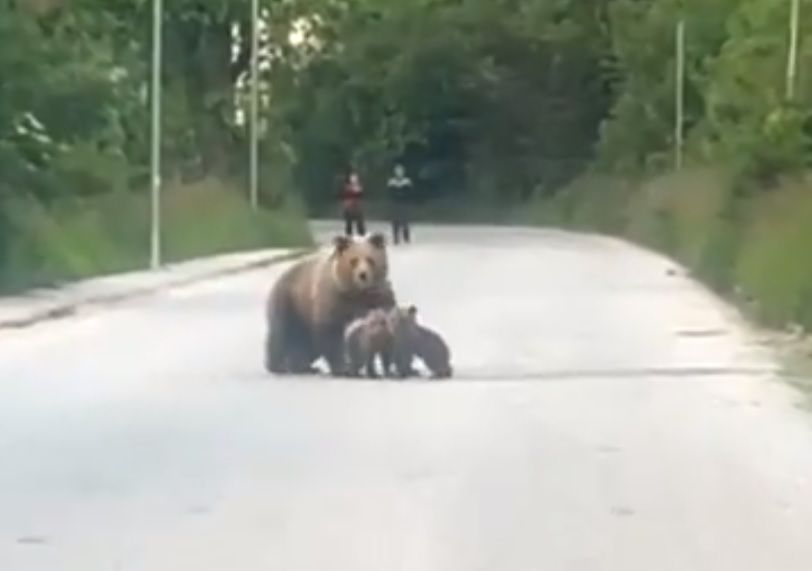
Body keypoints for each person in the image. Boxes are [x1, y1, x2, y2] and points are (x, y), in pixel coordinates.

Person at [387, 164, 414, 244]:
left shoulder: (407, 181)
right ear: (395, 172)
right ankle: (396, 238)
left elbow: (410, 193)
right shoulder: (391, 182)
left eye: (400, 171)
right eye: (397, 171)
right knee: (395, 221)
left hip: (404, 203)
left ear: (403, 172)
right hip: (395, 203)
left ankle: (406, 238)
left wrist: (402, 195)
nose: (399, 172)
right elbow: (389, 194)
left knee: (405, 221)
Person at [340, 170, 366, 236]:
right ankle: (349, 233)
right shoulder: (347, 186)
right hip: (349, 204)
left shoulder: (359, 185)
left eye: (355, 177)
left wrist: (358, 190)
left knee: (360, 219)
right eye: (352, 177)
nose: (354, 179)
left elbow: (361, 194)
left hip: (358, 204)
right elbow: (345, 194)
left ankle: (361, 233)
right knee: (349, 220)